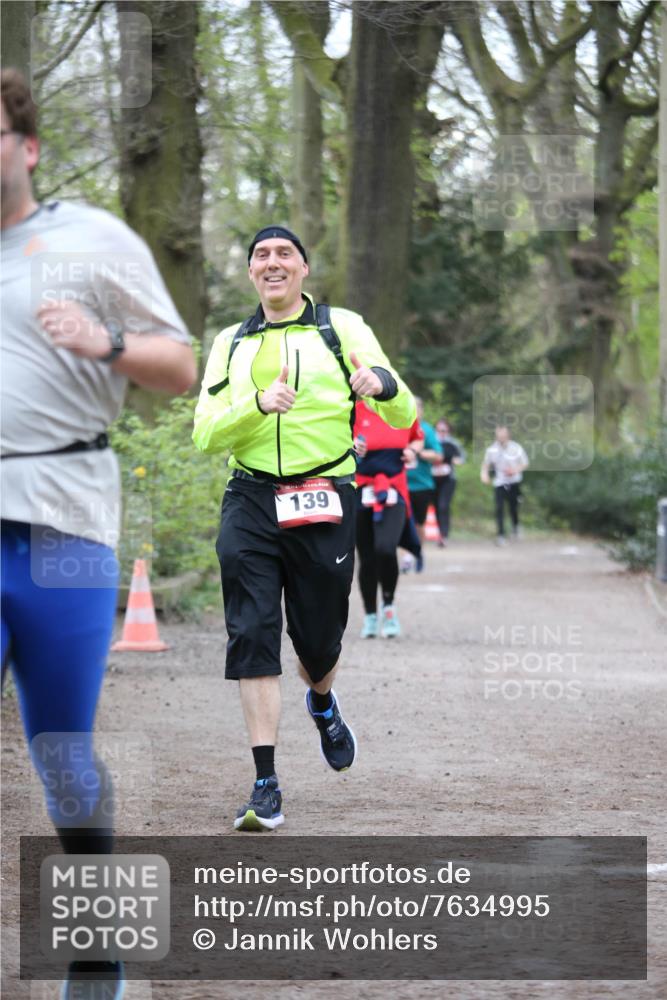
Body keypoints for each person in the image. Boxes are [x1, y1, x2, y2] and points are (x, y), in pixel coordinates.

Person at [0, 70, 195, 998]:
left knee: (64, 753)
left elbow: (182, 368)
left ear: (27, 147)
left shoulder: (92, 240)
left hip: (65, 526)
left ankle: (99, 951)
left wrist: (105, 344)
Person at [193, 224, 415, 832]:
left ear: (303, 269)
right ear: (250, 273)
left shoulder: (341, 328)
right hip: (251, 498)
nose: (272, 263)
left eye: (283, 254)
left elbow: (405, 409)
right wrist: (255, 406)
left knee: (318, 642)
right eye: (260, 255)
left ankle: (322, 699)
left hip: (325, 494)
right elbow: (205, 432)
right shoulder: (231, 343)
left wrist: (382, 385)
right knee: (253, 630)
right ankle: (265, 781)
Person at [354, 401, 424, 638]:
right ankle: (370, 615)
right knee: (366, 557)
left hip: (394, 487)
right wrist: (351, 446)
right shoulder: (353, 409)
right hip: (361, 486)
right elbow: (336, 441)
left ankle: (389, 607)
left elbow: (417, 437)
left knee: (385, 548)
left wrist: (412, 451)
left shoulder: (402, 408)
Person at [480, 424, 529, 545]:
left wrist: (515, 470)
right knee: (499, 508)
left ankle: (515, 527)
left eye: (503, 434)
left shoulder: (516, 448)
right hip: (500, 482)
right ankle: (501, 534)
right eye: (498, 434)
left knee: (513, 507)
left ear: (508, 434)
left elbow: (525, 463)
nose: (501, 436)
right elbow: (485, 465)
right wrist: (484, 475)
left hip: (514, 482)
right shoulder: (491, 450)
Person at [406, 397, 442, 551]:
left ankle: (417, 553)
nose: (414, 411)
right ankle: (406, 555)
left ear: (421, 410)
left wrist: (418, 451)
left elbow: (438, 455)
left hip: (421, 485)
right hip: (399, 484)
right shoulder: (398, 427)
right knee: (402, 522)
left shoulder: (426, 430)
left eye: (416, 408)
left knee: (419, 523)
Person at [433, 418, 465, 545]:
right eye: (439, 430)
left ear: (449, 431)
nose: (442, 432)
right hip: (433, 479)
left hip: (448, 479)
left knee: (443, 505)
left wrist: (456, 461)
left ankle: (444, 535)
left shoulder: (453, 443)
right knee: (436, 507)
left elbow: (461, 458)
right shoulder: (431, 441)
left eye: (444, 430)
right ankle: (439, 533)